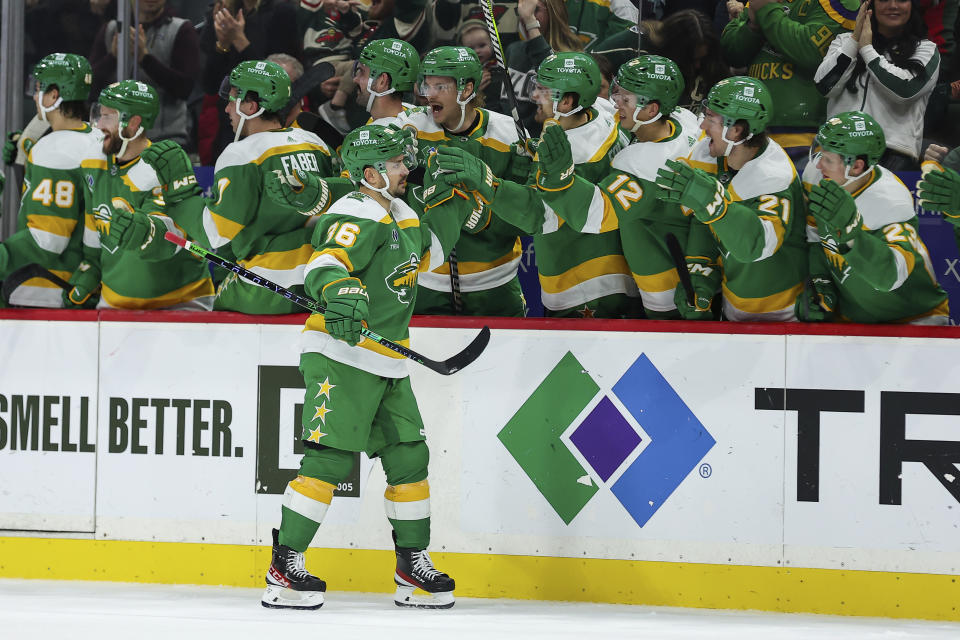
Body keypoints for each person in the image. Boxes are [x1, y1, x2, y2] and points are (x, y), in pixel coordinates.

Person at [261, 125, 477, 611]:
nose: (407, 170)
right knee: (330, 460)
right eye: (399, 163)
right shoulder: (354, 210)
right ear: (371, 172)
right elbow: (325, 262)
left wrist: (458, 201)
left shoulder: (401, 212)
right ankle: (284, 566)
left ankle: (411, 565)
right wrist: (339, 290)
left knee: (408, 458)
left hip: (388, 358)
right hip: (339, 353)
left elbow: (427, 258)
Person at [438, 52, 638, 318]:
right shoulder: (602, 112)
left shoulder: (570, 155)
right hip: (618, 270)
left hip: (583, 287)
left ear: (566, 102)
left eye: (543, 91)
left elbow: (538, 217)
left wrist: (488, 182)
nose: (534, 96)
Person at [144, 60, 335, 314]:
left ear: (251, 106)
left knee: (213, 307)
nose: (226, 109)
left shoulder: (242, 153)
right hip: (317, 283)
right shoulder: (316, 144)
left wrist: (181, 192)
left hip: (265, 289)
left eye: (233, 100)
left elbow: (215, 234)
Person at [519, 55, 701, 318]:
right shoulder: (685, 122)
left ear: (652, 109)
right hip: (690, 270)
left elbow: (595, 215)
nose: (616, 104)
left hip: (670, 289)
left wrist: (558, 177)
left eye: (626, 99)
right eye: (617, 92)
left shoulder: (644, 164)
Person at [656, 76, 808, 321]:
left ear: (736, 130)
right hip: (731, 309)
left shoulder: (774, 177)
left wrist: (714, 204)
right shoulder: (709, 153)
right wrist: (700, 277)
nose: (703, 126)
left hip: (783, 318)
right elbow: (703, 221)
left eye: (711, 119)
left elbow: (757, 247)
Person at [398, 46, 531, 316]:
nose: (428, 94)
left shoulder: (509, 134)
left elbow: (528, 217)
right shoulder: (410, 126)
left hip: (494, 284)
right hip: (426, 282)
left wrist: (486, 216)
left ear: (467, 90)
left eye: (440, 86)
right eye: (426, 84)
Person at [65, 79, 214, 310]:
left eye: (107, 117)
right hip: (115, 301)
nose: (97, 124)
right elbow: (94, 223)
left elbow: (177, 238)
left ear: (133, 123)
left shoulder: (163, 165)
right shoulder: (93, 159)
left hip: (180, 302)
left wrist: (148, 232)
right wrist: (91, 268)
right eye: (98, 114)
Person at [800, 111, 948, 323]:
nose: (818, 165)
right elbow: (814, 237)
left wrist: (851, 234)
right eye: (820, 154)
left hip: (912, 318)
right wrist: (820, 279)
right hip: (853, 317)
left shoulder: (891, 202)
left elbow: (891, 277)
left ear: (857, 166)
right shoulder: (816, 176)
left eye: (828, 160)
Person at [0, 53, 100, 308]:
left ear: (54, 95)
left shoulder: (55, 151)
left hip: (47, 288)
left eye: (38, 89)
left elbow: (47, 240)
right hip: (87, 287)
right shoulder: (97, 137)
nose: (34, 97)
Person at [721, 0, 859, 165]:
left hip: (807, 134)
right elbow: (731, 53)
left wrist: (766, 10)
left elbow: (811, 53)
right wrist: (753, 26)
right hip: (749, 132)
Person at [814, 0, 940, 171]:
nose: (893, 5)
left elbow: (905, 91)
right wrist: (855, 41)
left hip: (894, 154)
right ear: (869, 5)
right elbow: (824, 85)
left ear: (912, 6)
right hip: (837, 149)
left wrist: (867, 49)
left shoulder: (925, 49)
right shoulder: (844, 41)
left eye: (902, 0)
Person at [88, 0, 201, 147]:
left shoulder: (181, 29)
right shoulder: (112, 30)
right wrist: (113, 57)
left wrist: (145, 59)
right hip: (114, 138)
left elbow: (185, 88)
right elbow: (89, 86)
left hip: (165, 140)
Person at [507, 0, 583, 135]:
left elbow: (549, 69)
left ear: (554, 12)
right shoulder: (514, 50)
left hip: (543, 140)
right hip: (507, 138)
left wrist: (531, 22)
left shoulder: (571, 59)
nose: (525, 15)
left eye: (534, 10)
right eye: (522, 10)